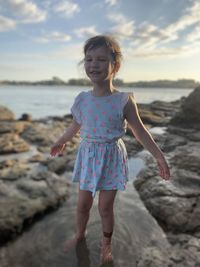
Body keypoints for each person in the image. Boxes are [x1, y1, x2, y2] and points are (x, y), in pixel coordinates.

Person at [50, 35, 170, 264]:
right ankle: (80, 234)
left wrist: (158, 155)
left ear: (115, 66)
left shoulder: (123, 100)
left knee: (105, 207)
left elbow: (140, 131)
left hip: (111, 156)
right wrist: (61, 140)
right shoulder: (82, 99)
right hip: (88, 155)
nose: (93, 64)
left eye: (101, 59)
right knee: (82, 204)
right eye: (89, 59)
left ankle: (106, 242)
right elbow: (76, 124)